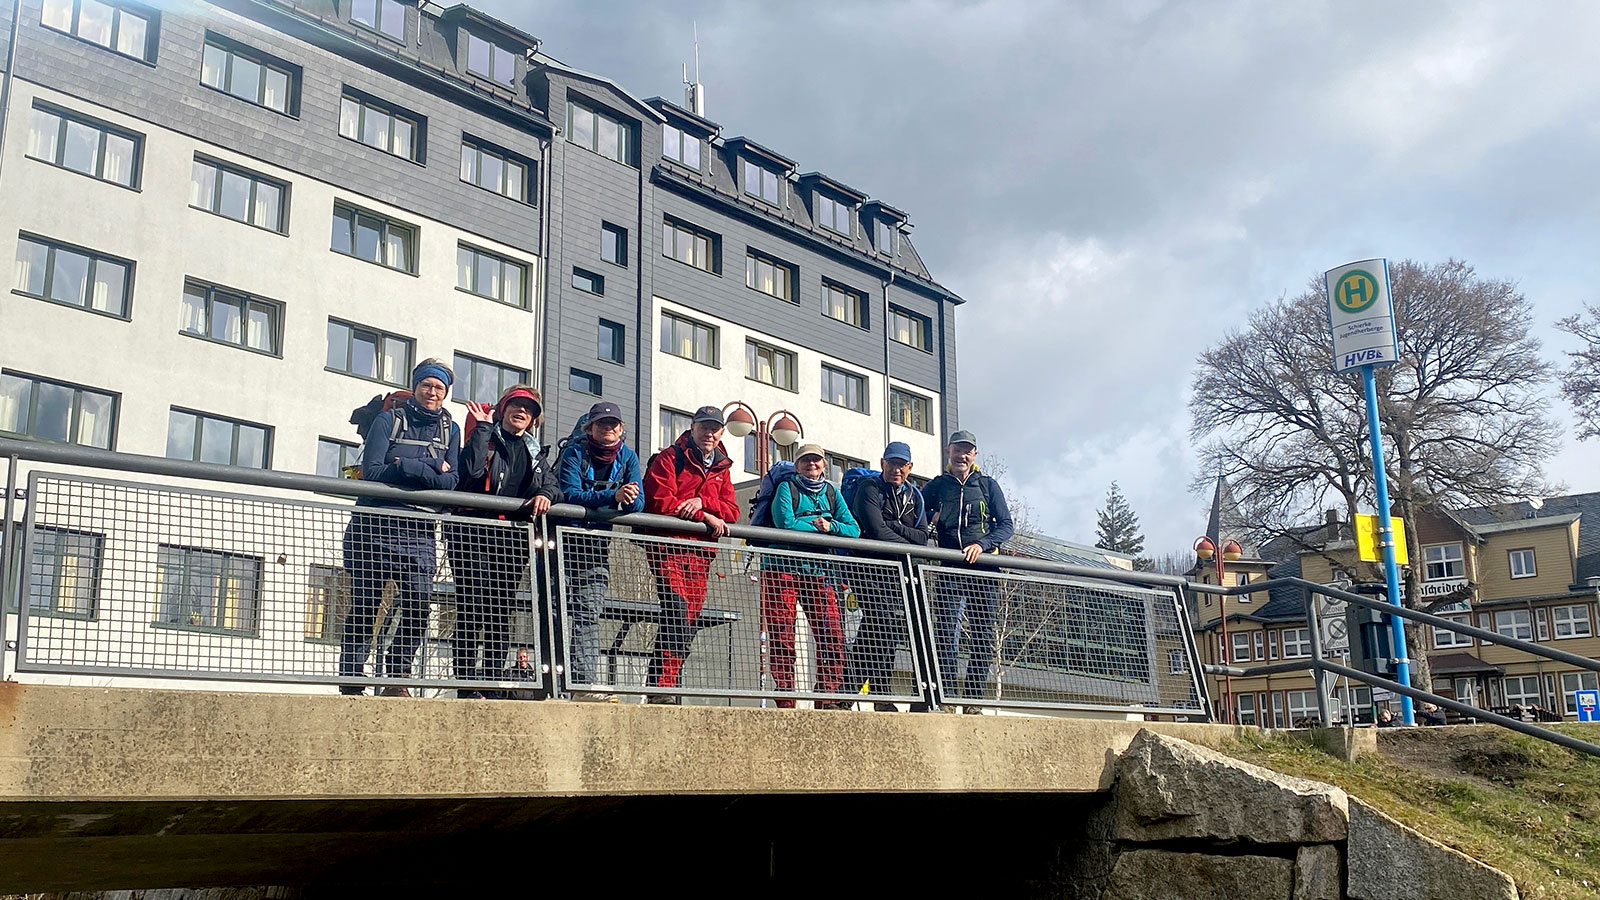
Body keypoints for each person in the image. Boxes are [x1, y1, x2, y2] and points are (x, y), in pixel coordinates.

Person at [340, 359, 461, 697]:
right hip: (373, 529)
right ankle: (351, 679)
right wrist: (429, 466)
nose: (432, 392)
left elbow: (451, 481)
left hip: (419, 532)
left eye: (439, 388)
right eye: (427, 385)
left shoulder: (450, 429)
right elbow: (373, 472)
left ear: (446, 393)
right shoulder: (388, 420)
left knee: (419, 606)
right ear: (416, 386)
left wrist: (403, 465)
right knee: (366, 605)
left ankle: (397, 677)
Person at [443, 385, 560, 699]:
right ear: (503, 409)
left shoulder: (534, 451)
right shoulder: (486, 436)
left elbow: (553, 485)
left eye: (529, 409)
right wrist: (482, 429)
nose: (522, 411)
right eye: (516, 405)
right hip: (471, 533)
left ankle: (492, 683)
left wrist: (545, 494)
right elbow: (470, 472)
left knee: (499, 611)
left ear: (534, 419)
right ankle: (466, 684)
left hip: (511, 539)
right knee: (471, 607)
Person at [641, 405, 739, 703]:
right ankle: (661, 688)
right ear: (692, 427)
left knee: (688, 619)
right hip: (668, 546)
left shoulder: (722, 467)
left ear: (721, 432)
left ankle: (663, 686)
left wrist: (702, 502)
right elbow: (659, 501)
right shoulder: (669, 457)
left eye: (715, 428)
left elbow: (732, 512)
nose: (709, 433)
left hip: (701, 554)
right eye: (704, 426)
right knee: (677, 609)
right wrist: (705, 515)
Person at [761, 443, 861, 709]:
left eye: (816, 460)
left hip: (818, 571)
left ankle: (826, 699)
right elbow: (785, 523)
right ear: (797, 465)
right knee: (782, 634)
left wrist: (831, 526)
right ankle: (786, 698)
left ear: (824, 464)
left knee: (833, 635)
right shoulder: (787, 488)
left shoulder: (831, 492)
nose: (811, 464)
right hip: (781, 569)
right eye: (806, 460)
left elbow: (854, 529)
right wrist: (820, 529)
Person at [557, 400, 643, 702]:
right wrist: (613, 496)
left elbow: (638, 502)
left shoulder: (628, 456)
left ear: (621, 429)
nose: (608, 428)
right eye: (602, 424)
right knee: (555, 611)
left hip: (596, 548)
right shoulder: (574, 453)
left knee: (589, 615)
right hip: (561, 542)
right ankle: (553, 685)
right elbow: (570, 494)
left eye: (613, 424)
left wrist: (625, 498)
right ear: (589, 428)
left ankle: (582, 685)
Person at [921, 430, 1014, 712]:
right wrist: (931, 517)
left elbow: (1006, 525)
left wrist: (982, 545)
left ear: (974, 455)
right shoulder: (937, 486)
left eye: (967, 451)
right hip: (950, 567)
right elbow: (916, 515)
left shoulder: (987, 485)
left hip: (983, 571)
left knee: (983, 635)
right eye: (957, 450)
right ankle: (948, 697)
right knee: (946, 634)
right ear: (948, 451)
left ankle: (973, 700)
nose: (962, 455)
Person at [847, 441, 926, 711]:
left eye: (902, 465)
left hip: (896, 572)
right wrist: (905, 542)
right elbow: (876, 531)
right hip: (866, 569)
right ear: (883, 463)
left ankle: (858, 693)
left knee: (884, 628)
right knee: (880, 622)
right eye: (892, 463)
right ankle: (867, 694)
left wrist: (892, 526)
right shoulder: (869, 488)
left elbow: (923, 537)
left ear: (910, 467)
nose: (896, 469)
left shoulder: (914, 495)